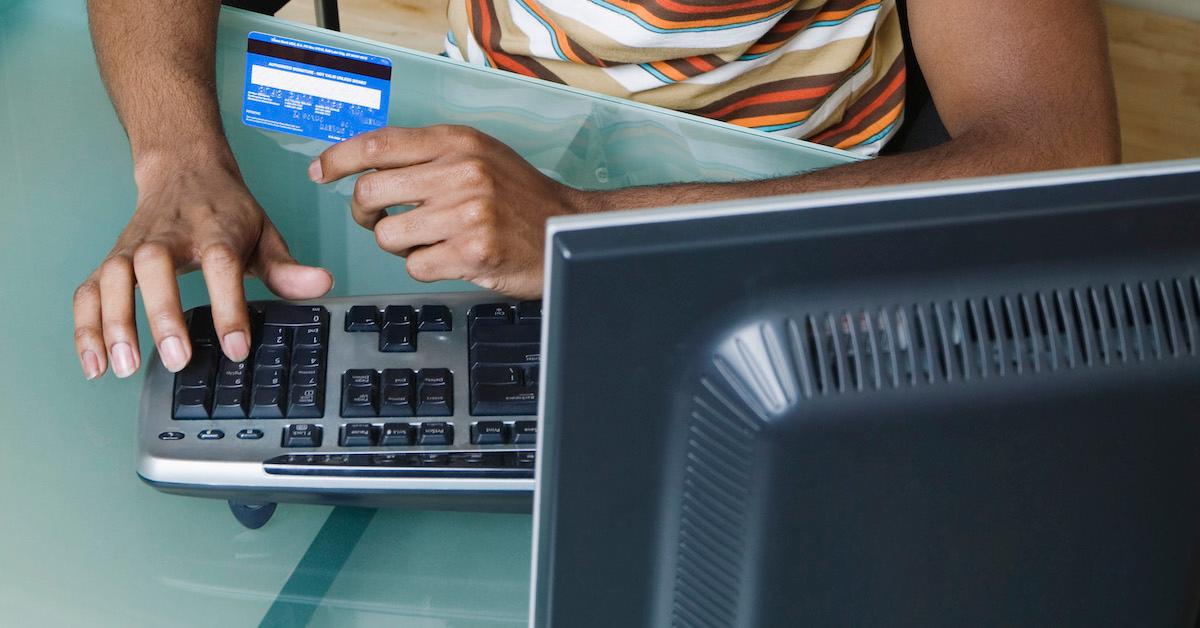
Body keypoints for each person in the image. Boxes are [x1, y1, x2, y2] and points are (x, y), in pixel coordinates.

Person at [73, 0, 1119, 380]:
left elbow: (1060, 146)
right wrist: (179, 157)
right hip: (481, 169)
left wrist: (583, 226)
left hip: (795, 216)